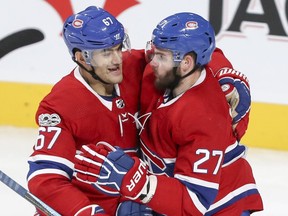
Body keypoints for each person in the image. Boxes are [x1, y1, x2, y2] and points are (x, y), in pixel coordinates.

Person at [74, 12, 263, 215]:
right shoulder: (160, 74)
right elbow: (206, 50)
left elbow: (195, 201)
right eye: (155, 52)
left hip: (222, 205)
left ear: (186, 63)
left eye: (161, 56)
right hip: (175, 190)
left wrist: (137, 182)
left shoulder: (203, 117)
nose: (152, 61)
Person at [26, 6, 147, 215]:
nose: (117, 59)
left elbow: (190, 54)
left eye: (118, 47)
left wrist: (224, 79)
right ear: (82, 58)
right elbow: (45, 179)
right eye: (106, 52)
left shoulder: (134, 66)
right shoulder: (60, 104)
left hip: (130, 201)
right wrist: (85, 211)